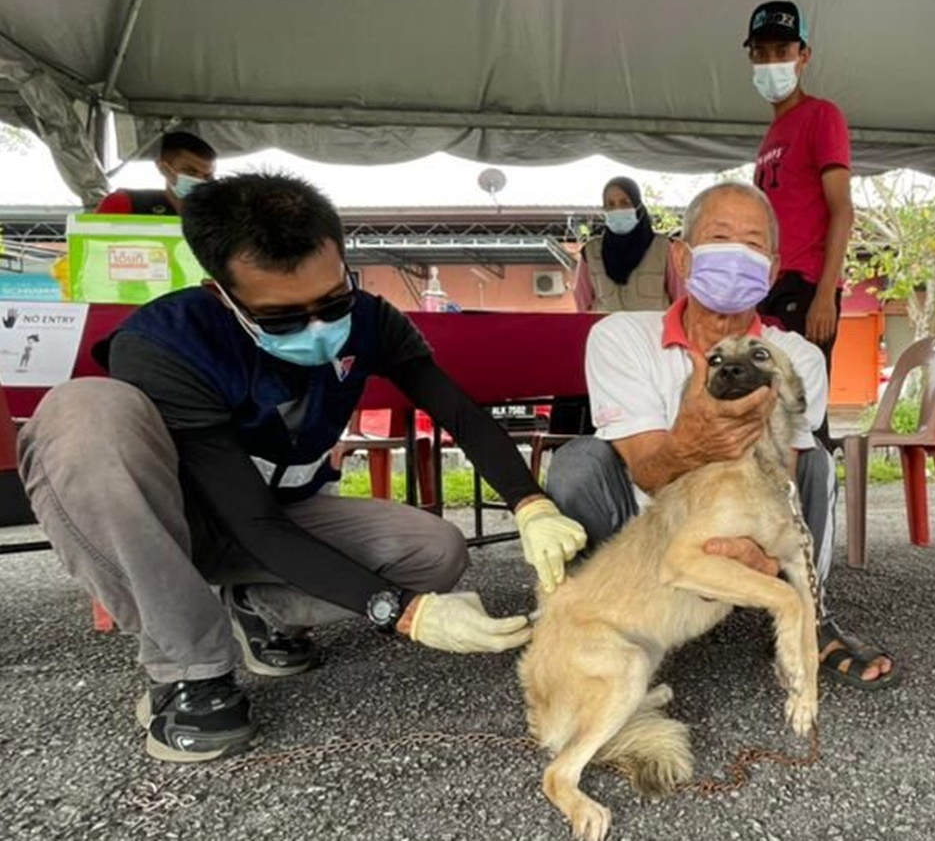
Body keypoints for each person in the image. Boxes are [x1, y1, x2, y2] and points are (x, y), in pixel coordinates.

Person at [17, 173, 587, 762]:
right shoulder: (168, 343)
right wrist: (400, 611)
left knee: (435, 550)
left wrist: (530, 503)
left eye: (332, 300)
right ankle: (190, 668)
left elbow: (460, 416)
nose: (318, 327)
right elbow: (251, 520)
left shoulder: (369, 320)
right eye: (284, 318)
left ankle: (258, 605)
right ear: (221, 294)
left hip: (280, 513)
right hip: (178, 522)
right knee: (83, 412)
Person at [545, 182, 899, 690]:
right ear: (683, 257)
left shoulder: (796, 357)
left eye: (753, 246)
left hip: (750, 528)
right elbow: (646, 470)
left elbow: (784, 486)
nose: (736, 256)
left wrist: (761, 558)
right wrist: (693, 439)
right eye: (720, 238)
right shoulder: (620, 337)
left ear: (773, 270)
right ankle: (604, 626)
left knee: (817, 463)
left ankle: (809, 618)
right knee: (577, 463)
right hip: (651, 532)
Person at [744, 0, 854, 443]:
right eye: (762, 52)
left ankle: (816, 508)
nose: (773, 62)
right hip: (769, 287)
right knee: (764, 413)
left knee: (802, 415)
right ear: (751, 56)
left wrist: (825, 293)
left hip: (806, 286)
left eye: (783, 50)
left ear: (803, 55)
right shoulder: (771, 136)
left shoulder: (821, 115)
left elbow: (842, 209)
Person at [572, 177, 683, 312]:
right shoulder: (590, 253)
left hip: (652, 332)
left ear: (638, 206)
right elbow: (582, 304)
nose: (617, 209)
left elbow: (680, 299)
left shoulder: (664, 248)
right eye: (610, 204)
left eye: (625, 203)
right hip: (607, 332)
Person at [95, 131, 218, 216]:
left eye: (208, 176)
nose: (200, 181)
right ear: (162, 168)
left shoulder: (223, 215)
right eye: (190, 172)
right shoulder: (124, 204)